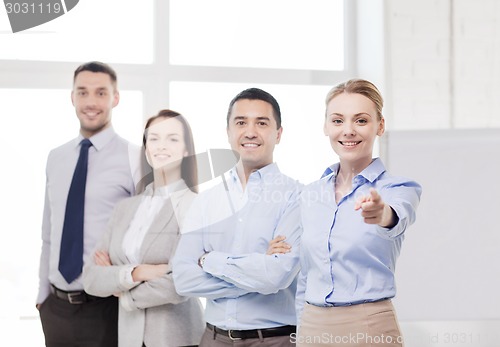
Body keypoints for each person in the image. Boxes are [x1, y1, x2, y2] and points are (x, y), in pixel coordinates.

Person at [295, 79, 422, 347]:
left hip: (369, 326)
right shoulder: (310, 194)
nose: (348, 130)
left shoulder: (398, 188)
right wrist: (301, 327)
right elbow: (306, 273)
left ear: (380, 126)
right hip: (312, 326)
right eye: (338, 120)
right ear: (326, 126)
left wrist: (381, 213)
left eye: (361, 120)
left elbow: (396, 217)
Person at [172, 88, 302, 347]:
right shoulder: (206, 200)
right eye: (241, 122)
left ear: (279, 134)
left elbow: (275, 276)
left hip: (274, 340)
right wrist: (256, 270)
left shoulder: (296, 196)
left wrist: (209, 260)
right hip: (213, 338)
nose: (250, 132)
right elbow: (183, 280)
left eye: (261, 123)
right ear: (229, 132)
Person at [36, 61, 144, 347]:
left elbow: (146, 233)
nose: (91, 102)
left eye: (100, 93)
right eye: (82, 92)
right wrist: (41, 296)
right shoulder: (55, 157)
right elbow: (49, 233)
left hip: (107, 307)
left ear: (115, 98)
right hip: (55, 308)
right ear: (72, 97)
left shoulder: (135, 158)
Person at [83, 110, 205, 347]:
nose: (161, 146)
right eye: (154, 138)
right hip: (128, 339)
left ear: (186, 151)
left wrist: (121, 291)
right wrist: (137, 272)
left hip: (177, 339)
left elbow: (180, 283)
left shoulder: (195, 207)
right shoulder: (124, 209)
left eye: (172, 139)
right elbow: (90, 277)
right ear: (146, 149)